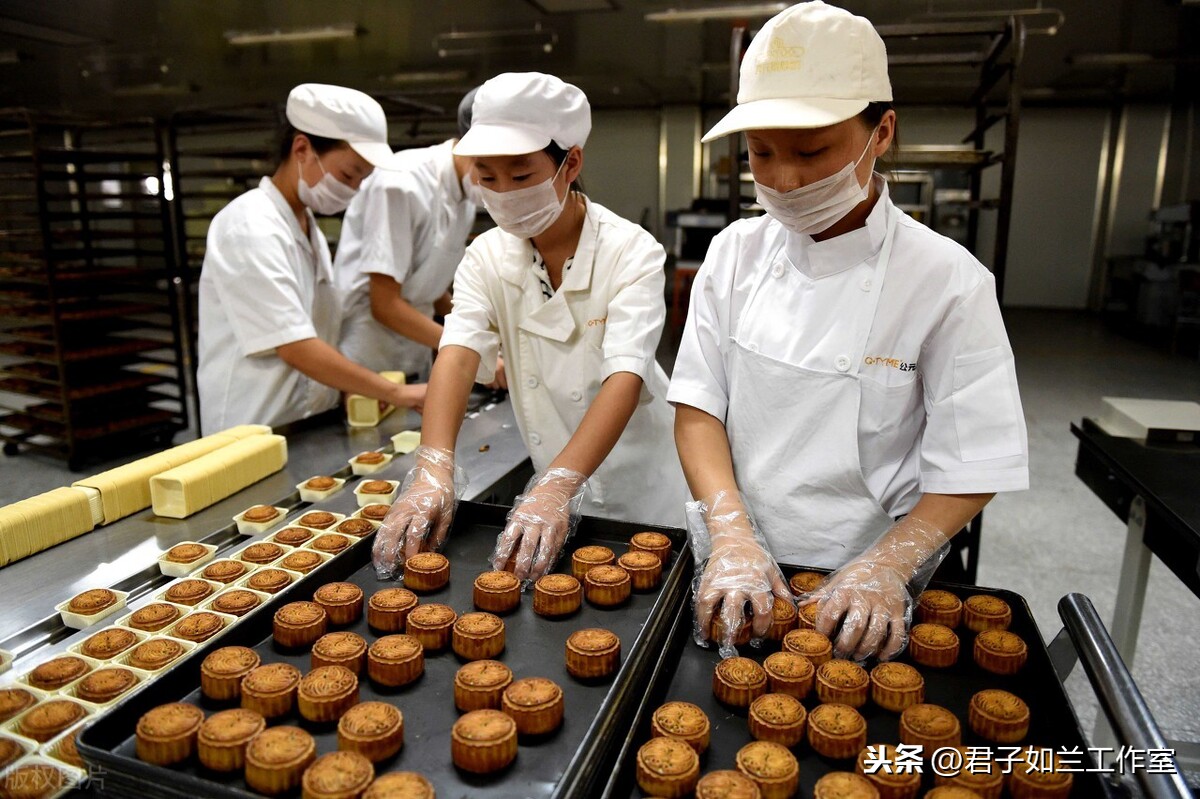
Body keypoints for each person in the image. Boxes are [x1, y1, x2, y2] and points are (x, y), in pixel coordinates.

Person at [668, 1, 1028, 662]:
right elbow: (697, 408)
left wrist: (888, 565)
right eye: (761, 152)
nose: (783, 178)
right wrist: (731, 532)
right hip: (736, 567)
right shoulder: (733, 254)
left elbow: (975, 460)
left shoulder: (947, 281)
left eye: (812, 151)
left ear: (881, 132)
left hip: (865, 587)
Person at [372, 72, 688, 582]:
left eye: (520, 177)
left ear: (571, 162)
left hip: (642, 485)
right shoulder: (486, 255)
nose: (503, 195)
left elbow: (624, 376)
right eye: (487, 177)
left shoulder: (632, 252)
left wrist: (558, 484)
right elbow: (457, 351)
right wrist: (434, 465)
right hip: (552, 484)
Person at [197, 83, 426, 432]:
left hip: (302, 423)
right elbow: (295, 346)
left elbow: (319, 332)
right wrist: (397, 392)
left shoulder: (307, 228)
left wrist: (348, 388)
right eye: (348, 174)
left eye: (362, 180)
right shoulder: (250, 226)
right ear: (302, 148)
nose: (352, 189)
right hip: (250, 429)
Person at [336, 88, 504, 384]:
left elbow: (428, 281)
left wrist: (482, 334)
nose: (498, 188)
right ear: (469, 150)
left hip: (413, 348)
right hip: (367, 351)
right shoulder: (401, 184)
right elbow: (384, 303)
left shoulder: (462, 194)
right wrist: (469, 349)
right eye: (491, 176)